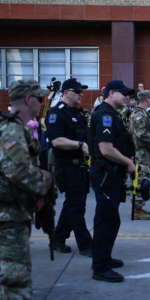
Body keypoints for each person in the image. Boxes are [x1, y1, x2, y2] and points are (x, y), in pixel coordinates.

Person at [0, 80, 53, 299]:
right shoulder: (11, 130)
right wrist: (47, 180)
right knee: (15, 280)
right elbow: (19, 172)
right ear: (28, 100)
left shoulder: (17, 128)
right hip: (8, 217)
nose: (41, 103)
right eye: (39, 99)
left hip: (14, 213)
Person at [89, 80, 136, 282]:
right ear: (112, 93)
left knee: (111, 219)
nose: (127, 97)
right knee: (105, 220)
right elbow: (106, 149)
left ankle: (104, 258)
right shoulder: (105, 114)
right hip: (106, 174)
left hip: (112, 175)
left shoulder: (112, 113)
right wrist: (128, 163)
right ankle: (100, 268)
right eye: (124, 93)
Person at [45, 78, 93, 256]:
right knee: (76, 206)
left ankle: (58, 239)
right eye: (77, 91)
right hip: (66, 166)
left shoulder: (78, 113)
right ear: (66, 93)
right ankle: (86, 244)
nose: (81, 94)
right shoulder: (56, 113)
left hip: (80, 167)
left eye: (82, 91)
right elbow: (57, 141)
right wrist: (79, 145)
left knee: (74, 204)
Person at [129, 90, 150, 219]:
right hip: (140, 152)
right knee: (141, 181)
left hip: (144, 152)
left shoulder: (143, 113)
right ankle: (137, 209)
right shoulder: (139, 114)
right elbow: (141, 133)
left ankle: (138, 207)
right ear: (146, 100)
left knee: (143, 180)